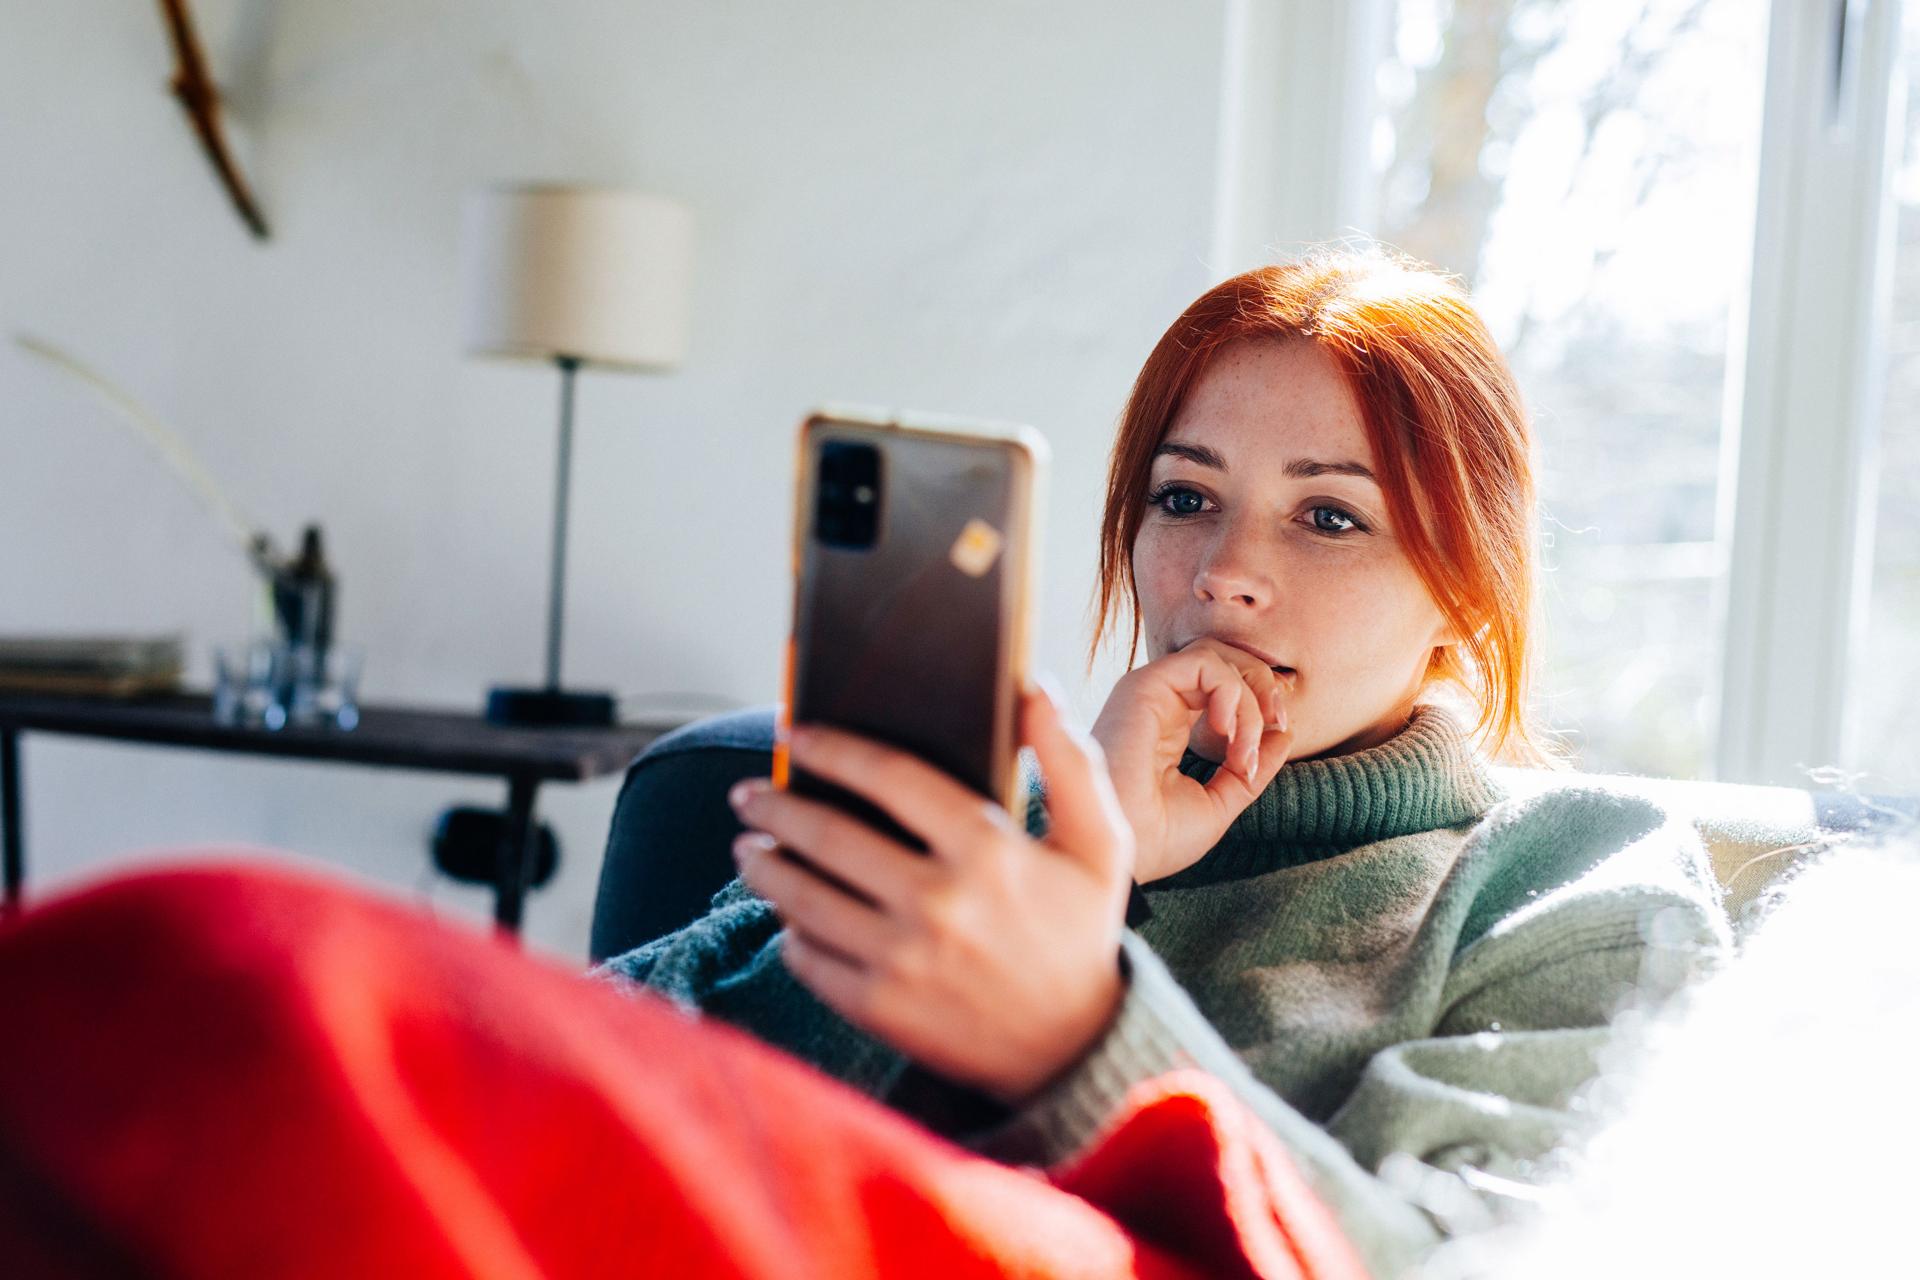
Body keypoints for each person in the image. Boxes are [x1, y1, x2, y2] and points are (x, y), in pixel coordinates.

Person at [598, 248, 1733, 1279]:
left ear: (1463, 591)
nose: (1226, 571)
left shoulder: (1579, 878)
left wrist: (1082, 1030)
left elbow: (1441, 1259)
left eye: (1329, 516)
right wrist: (1082, 848)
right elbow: (604, 1087)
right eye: (1185, 497)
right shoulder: (996, 825)